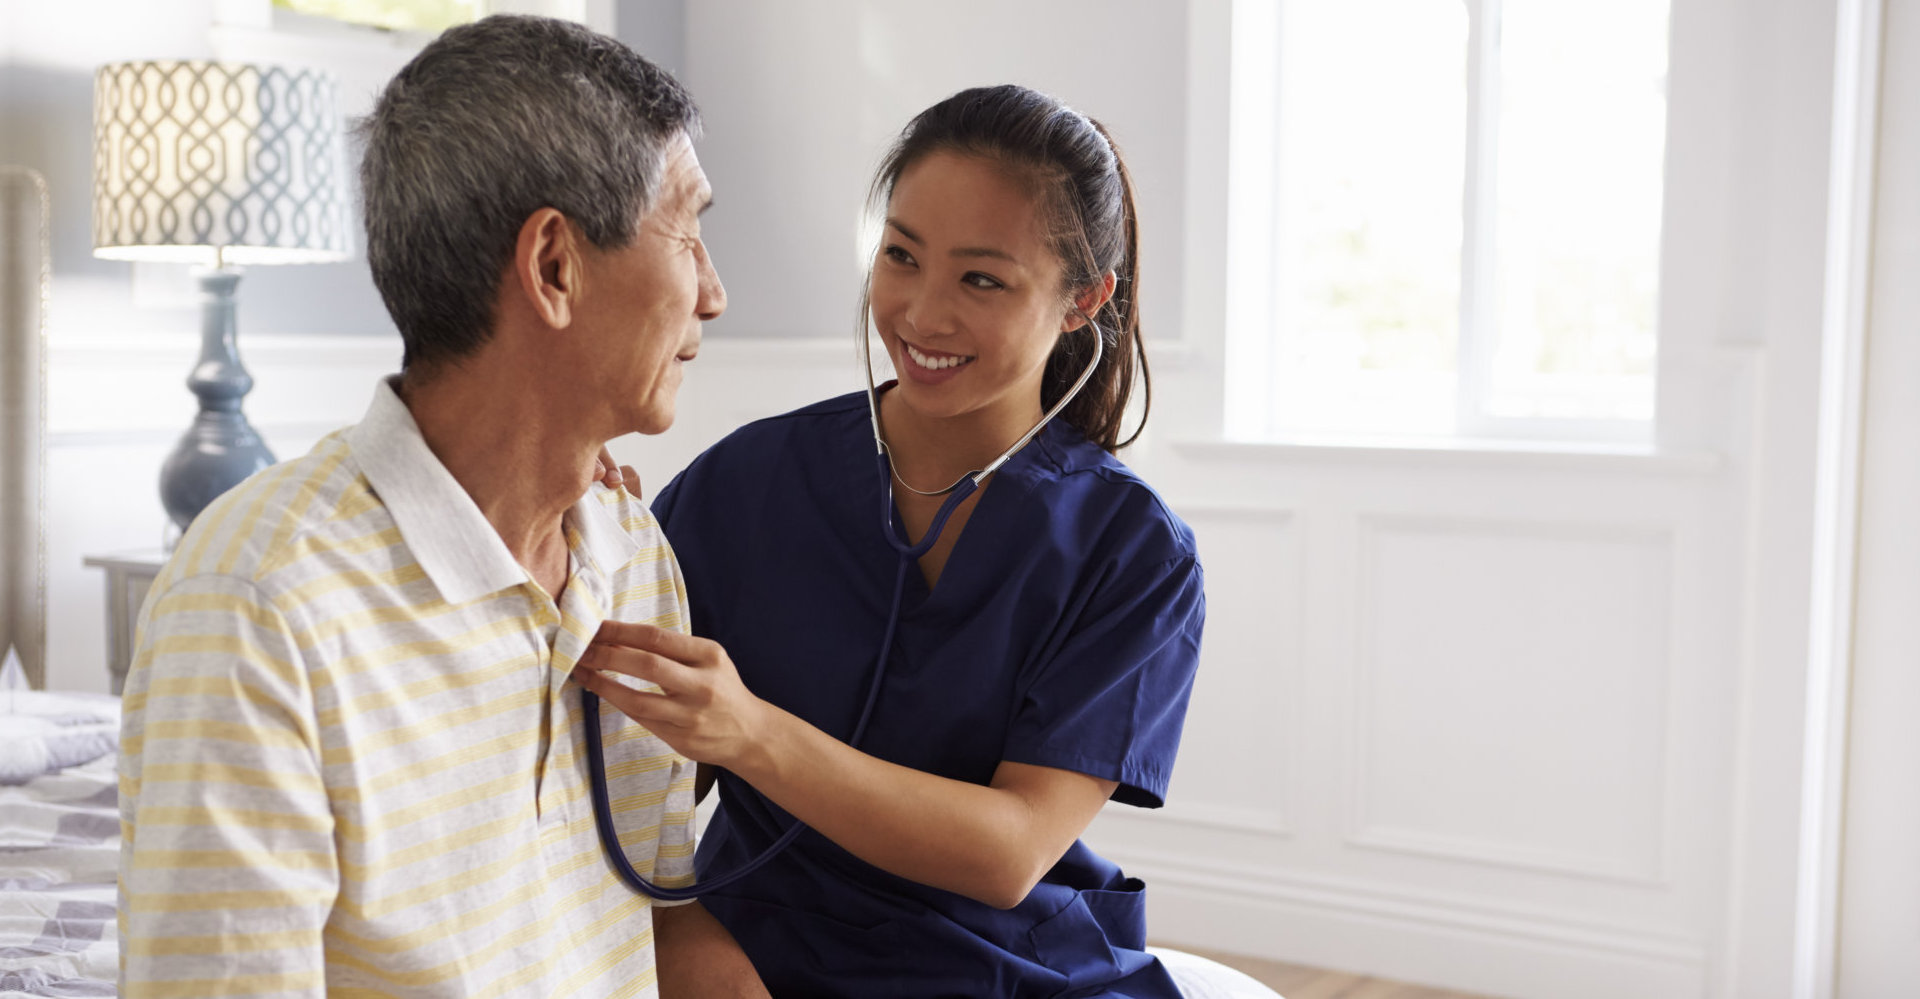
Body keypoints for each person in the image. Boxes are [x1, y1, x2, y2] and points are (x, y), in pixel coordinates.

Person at [117, 16, 765, 997]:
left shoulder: (630, 553)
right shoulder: (257, 608)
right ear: (554, 267)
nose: (714, 293)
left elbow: (662, 928)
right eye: (688, 229)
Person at [574, 84, 1206, 997]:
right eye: (901, 256)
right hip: (762, 934)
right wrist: (590, 542)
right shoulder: (749, 482)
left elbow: (1011, 850)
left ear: (1082, 301)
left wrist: (752, 732)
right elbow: (624, 765)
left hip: (1012, 961)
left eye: (981, 278)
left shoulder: (1134, 553)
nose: (921, 313)